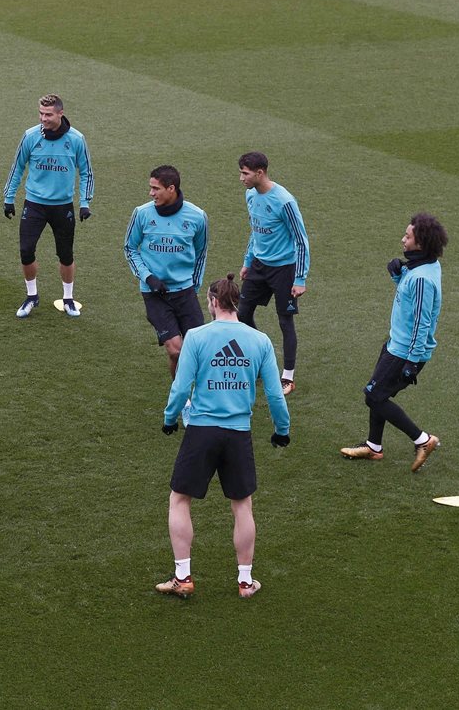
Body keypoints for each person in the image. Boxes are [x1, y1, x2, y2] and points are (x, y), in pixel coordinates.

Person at [156, 275, 290, 600]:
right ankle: (245, 582)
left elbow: (180, 386)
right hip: (238, 434)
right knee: (242, 505)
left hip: (202, 431)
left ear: (213, 302)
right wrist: (281, 430)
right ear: (236, 302)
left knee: (179, 499)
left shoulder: (197, 337)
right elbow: (274, 394)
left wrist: (170, 418)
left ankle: (183, 577)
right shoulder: (259, 341)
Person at [341, 214, 446, 471]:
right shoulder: (424, 266)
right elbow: (409, 301)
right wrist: (398, 276)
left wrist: (412, 360)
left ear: (420, 243)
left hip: (405, 351)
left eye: (408, 236)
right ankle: (374, 446)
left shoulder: (422, 278)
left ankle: (422, 440)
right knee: (380, 392)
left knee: (374, 397)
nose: (403, 239)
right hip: (396, 343)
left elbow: (422, 321)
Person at [2, 94, 94, 318]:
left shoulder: (76, 139)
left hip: (62, 207)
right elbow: (18, 167)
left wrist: (84, 202)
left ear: (60, 114)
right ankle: (32, 296)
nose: (43, 118)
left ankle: (68, 299)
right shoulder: (31, 136)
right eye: (41, 114)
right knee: (26, 250)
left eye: (48, 114)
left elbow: (86, 172)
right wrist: (9, 197)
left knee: (65, 254)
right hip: (34, 204)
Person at [124, 165, 209, 378]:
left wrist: (193, 286)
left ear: (171, 189)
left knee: (198, 351)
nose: (151, 193)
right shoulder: (141, 213)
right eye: (151, 188)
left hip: (185, 292)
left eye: (156, 188)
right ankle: (181, 400)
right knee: (176, 350)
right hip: (155, 294)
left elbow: (201, 254)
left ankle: (193, 397)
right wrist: (148, 277)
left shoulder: (197, 216)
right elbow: (130, 248)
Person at [237, 152, 310, 395]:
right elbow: (254, 230)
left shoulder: (284, 201)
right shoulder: (250, 195)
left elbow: (301, 240)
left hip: (284, 269)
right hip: (258, 265)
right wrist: (248, 261)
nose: (241, 178)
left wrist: (300, 279)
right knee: (242, 314)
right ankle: (262, 357)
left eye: (245, 173)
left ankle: (287, 377)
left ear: (260, 173)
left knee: (284, 320)